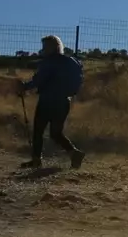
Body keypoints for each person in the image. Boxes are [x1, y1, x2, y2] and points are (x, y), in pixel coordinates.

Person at [18, 35, 85, 170]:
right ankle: (74, 153)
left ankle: (36, 160)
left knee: (38, 131)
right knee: (56, 133)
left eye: (44, 46)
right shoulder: (72, 61)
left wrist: (24, 87)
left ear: (51, 47)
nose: (42, 50)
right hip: (64, 101)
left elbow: (39, 80)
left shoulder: (49, 62)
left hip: (48, 100)